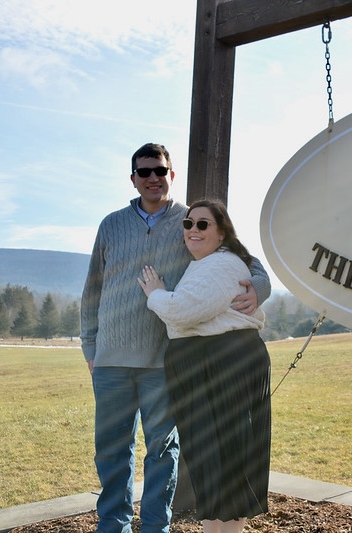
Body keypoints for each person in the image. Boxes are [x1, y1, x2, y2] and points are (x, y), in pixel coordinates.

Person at [80, 143, 271, 533]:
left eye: (160, 170)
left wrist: (259, 287)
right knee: (112, 451)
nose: (153, 177)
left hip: (164, 359)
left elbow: (246, 260)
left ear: (172, 174)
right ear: (132, 179)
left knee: (163, 452)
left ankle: (155, 527)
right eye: (144, 171)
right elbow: (93, 289)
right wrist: (89, 344)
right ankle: (112, 526)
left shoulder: (193, 221)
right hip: (112, 358)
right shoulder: (111, 224)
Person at [138, 199, 271, 533]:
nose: (193, 230)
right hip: (206, 366)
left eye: (203, 224)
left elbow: (184, 310)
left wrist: (156, 295)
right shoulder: (206, 264)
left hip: (223, 364)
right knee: (209, 459)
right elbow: (186, 316)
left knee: (227, 458)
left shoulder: (222, 264)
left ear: (222, 231)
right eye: (188, 224)